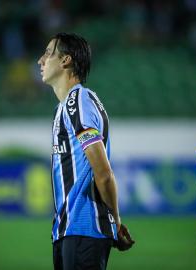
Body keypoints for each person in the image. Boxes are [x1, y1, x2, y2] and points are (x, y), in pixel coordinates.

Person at [37, 32, 135, 270]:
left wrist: (115, 220)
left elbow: (103, 172)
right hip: (67, 229)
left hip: (83, 228)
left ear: (65, 60)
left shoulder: (78, 101)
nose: (40, 60)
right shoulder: (64, 107)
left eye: (48, 53)